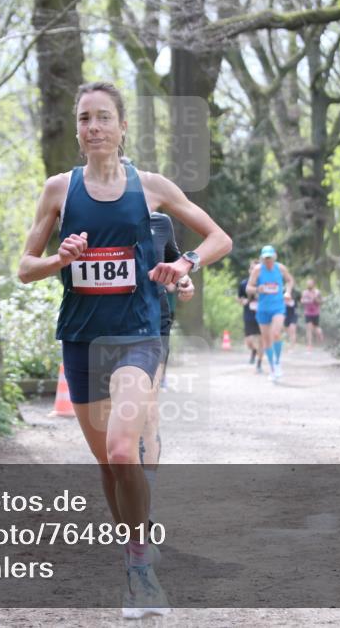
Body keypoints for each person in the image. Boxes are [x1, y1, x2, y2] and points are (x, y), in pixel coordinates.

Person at [18, 81, 232, 618]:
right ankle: (137, 540)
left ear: (121, 127)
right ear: (77, 128)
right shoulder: (59, 191)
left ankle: (140, 571)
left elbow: (218, 238)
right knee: (110, 470)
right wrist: (59, 261)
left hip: (137, 337)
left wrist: (185, 266)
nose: (94, 128)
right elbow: (25, 269)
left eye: (104, 118)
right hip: (81, 339)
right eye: (85, 118)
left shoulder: (151, 187)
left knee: (121, 450)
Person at [138, 211, 193, 535]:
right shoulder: (91, 215)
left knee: (146, 413)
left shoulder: (160, 223)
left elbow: (175, 268)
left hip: (153, 326)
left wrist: (184, 281)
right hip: (105, 330)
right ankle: (128, 493)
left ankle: (145, 502)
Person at [246, 245, 294, 382]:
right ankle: (272, 368)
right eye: (266, 258)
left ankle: (278, 362)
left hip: (278, 306)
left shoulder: (280, 268)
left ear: (274, 257)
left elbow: (290, 280)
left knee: (276, 334)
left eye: (270, 258)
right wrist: (257, 289)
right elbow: (249, 288)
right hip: (263, 309)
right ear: (262, 258)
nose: (268, 261)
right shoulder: (257, 270)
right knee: (266, 340)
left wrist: (288, 292)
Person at [237, 260, 264, 373]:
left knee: (261, 340)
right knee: (249, 341)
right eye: (252, 268)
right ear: (249, 270)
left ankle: (259, 363)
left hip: (262, 313)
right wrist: (242, 301)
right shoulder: (244, 284)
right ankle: (254, 351)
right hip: (248, 313)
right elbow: (239, 298)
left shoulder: (263, 283)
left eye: (256, 269)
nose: (254, 271)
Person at [303, 278, 324, 350]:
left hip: (315, 313)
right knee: (309, 328)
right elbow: (302, 301)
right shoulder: (305, 292)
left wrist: (315, 299)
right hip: (307, 313)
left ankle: (320, 336)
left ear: (313, 284)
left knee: (316, 328)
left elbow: (321, 302)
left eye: (310, 283)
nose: (309, 285)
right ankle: (309, 345)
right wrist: (307, 301)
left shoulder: (317, 292)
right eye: (308, 283)